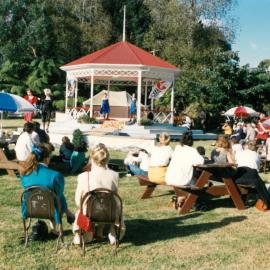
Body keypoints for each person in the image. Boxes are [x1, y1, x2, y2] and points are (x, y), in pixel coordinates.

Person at [73, 143, 125, 245]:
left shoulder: (83, 176)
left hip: (89, 212)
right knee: (108, 204)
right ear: (107, 158)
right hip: (109, 212)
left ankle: (87, 233)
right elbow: (114, 197)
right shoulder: (115, 175)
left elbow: (78, 201)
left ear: (91, 158)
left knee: (82, 209)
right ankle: (113, 234)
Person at [19, 143, 74, 227]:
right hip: (50, 209)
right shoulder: (56, 175)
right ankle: (56, 227)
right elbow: (58, 196)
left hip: (31, 208)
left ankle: (68, 215)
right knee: (57, 195)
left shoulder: (24, 175)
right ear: (47, 158)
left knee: (54, 194)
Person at [234, 140, 270, 209]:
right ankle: (266, 201)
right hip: (251, 177)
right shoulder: (256, 154)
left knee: (257, 182)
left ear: (247, 146)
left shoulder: (240, 153)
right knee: (260, 183)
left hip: (239, 176)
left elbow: (237, 164)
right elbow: (258, 168)